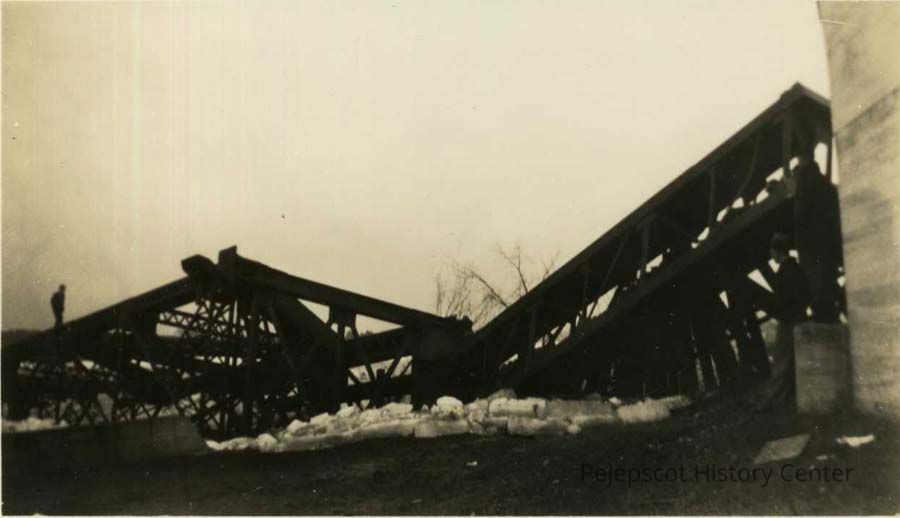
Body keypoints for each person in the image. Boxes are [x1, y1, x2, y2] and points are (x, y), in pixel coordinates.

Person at [754, 233, 810, 410]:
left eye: (772, 251)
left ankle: (776, 400)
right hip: (799, 317)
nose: (771, 255)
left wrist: (775, 309)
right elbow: (804, 295)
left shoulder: (784, 272)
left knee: (781, 360)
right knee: (794, 360)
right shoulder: (797, 268)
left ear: (777, 251)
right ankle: (786, 397)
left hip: (788, 321)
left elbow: (783, 300)